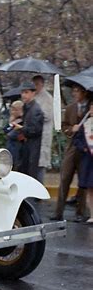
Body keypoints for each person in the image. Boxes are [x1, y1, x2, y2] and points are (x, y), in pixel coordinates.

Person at [50, 85, 88, 221]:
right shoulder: (71, 108)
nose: (74, 93)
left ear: (84, 92)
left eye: (77, 91)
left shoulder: (90, 107)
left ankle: (81, 212)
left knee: (83, 182)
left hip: (86, 150)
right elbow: (65, 125)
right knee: (64, 178)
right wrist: (72, 129)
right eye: (74, 90)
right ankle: (58, 211)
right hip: (72, 148)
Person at [15, 82, 44, 180]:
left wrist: (21, 128)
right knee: (23, 171)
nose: (23, 95)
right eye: (22, 92)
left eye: (26, 92)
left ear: (33, 93)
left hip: (33, 146)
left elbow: (35, 130)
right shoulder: (27, 107)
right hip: (26, 145)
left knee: (30, 174)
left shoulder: (36, 109)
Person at [72, 102, 93, 224]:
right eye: (91, 108)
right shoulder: (85, 125)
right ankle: (92, 214)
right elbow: (77, 140)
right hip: (88, 160)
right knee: (90, 189)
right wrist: (84, 148)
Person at [32, 75, 54, 183]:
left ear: (42, 84)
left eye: (37, 84)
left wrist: (35, 114)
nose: (35, 87)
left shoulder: (48, 98)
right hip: (33, 133)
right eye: (34, 84)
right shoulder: (33, 96)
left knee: (41, 163)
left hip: (43, 133)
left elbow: (47, 115)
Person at [4, 100, 24, 170]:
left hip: (18, 147)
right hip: (10, 146)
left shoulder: (22, 121)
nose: (12, 112)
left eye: (15, 110)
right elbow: (5, 129)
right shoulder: (13, 120)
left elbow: (11, 134)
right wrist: (10, 122)